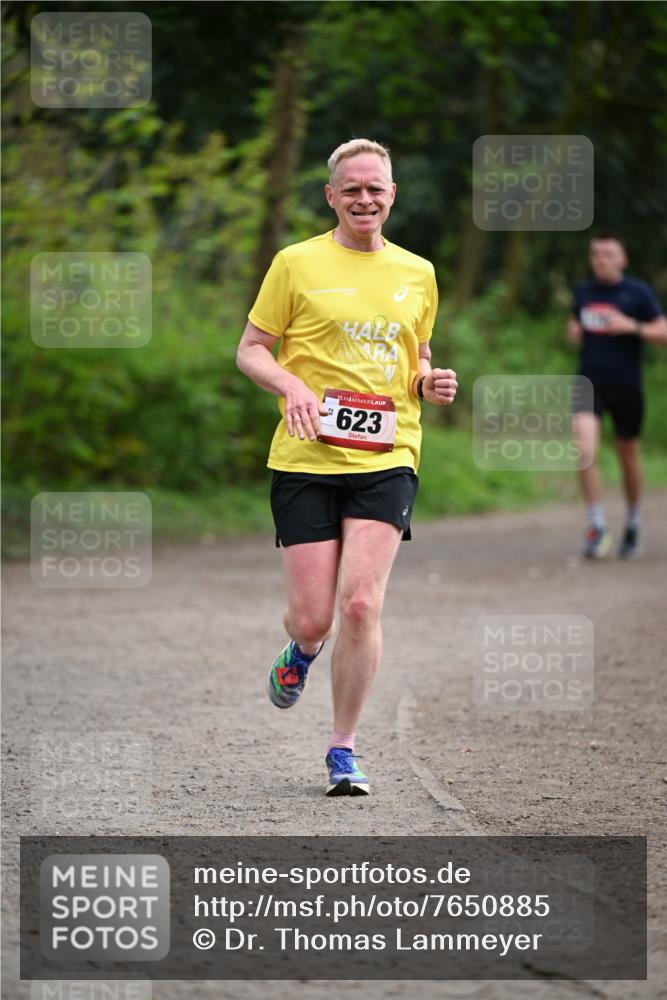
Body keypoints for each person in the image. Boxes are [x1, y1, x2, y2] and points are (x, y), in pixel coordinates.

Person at [236, 138, 457, 796]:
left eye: (375, 188)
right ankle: (301, 654)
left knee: (360, 603)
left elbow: (415, 358)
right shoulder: (295, 263)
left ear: (392, 195)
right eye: (351, 189)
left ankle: (343, 749)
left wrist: (428, 383)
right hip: (305, 456)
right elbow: (250, 350)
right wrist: (292, 387)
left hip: (387, 454)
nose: (365, 198)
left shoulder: (417, 273)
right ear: (331, 197)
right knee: (315, 619)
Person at [567, 235, 666, 559]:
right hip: (589, 383)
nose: (601, 259)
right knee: (584, 450)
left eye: (609, 254)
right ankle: (596, 526)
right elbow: (575, 322)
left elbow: (663, 332)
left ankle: (634, 521)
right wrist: (574, 331)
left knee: (628, 455)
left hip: (627, 386)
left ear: (622, 260)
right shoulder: (583, 292)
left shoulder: (637, 293)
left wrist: (632, 326)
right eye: (596, 254)